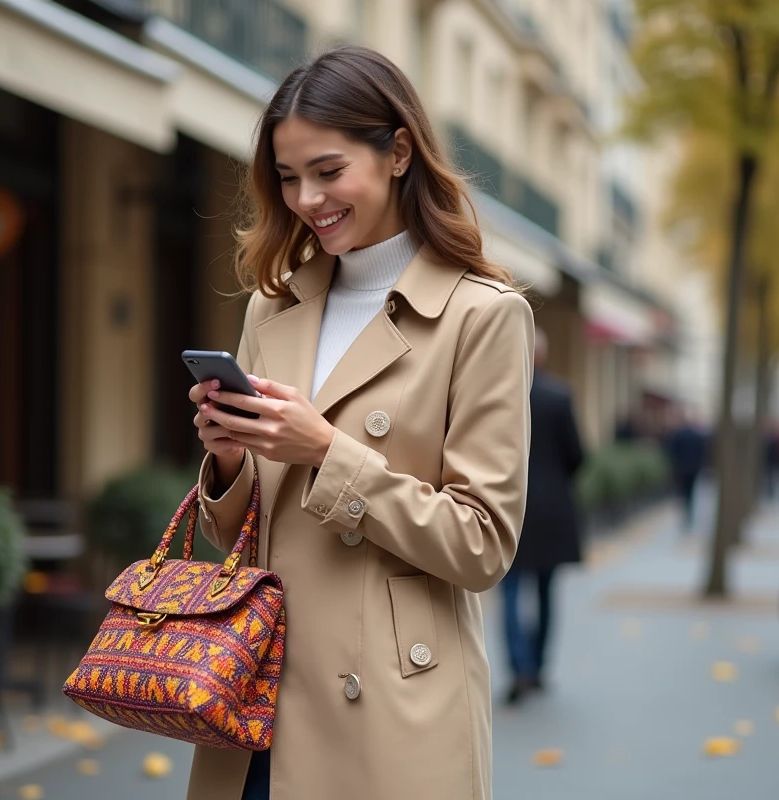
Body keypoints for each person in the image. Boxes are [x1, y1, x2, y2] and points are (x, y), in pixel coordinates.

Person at [186, 45, 533, 800]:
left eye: (328, 170)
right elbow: (238, 537)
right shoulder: (272, 308)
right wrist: (227, 461)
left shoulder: (480, 316)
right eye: (287, 177)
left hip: (388, 711)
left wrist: (325, 453)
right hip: (255, 703)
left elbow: (483, 544)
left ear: (399, 151)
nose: (307, 197)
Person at [502, 329, 583, 704]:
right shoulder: (559, 396)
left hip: (508, 507)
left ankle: (518, 667)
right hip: (551, 511)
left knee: (510, 592)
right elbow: (577, 455)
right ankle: (538, 664)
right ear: (544, 357)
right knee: (547, 592)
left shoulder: (500, 394)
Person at [664, 408, 706, 531]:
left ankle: (685, 513)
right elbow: (702, 452)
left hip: (681, 468)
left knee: (682, 491)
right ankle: (689, 513)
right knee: (691, 491)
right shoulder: (696, 436)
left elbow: (671, 452)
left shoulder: (678, 436)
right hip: (693, 468)